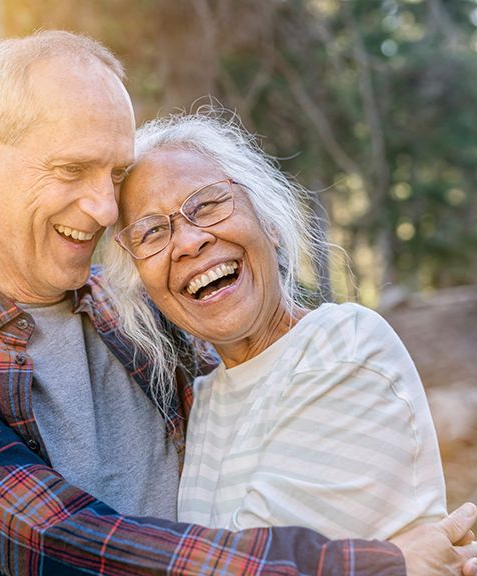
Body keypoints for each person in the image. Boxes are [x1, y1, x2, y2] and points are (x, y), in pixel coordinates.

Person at [0, 30, 477, 575]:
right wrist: (370, 563)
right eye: (73, 171)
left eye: (114, 174)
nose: (106, 209)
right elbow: (56, 541)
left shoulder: (129, 311)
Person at [101, 111, 446, 541]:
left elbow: (262, 564)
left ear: (270, 224)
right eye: (151, 233)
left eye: (207, 205)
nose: (189, 242)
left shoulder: (343, 347)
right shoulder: (206, 398)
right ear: (143, 283)